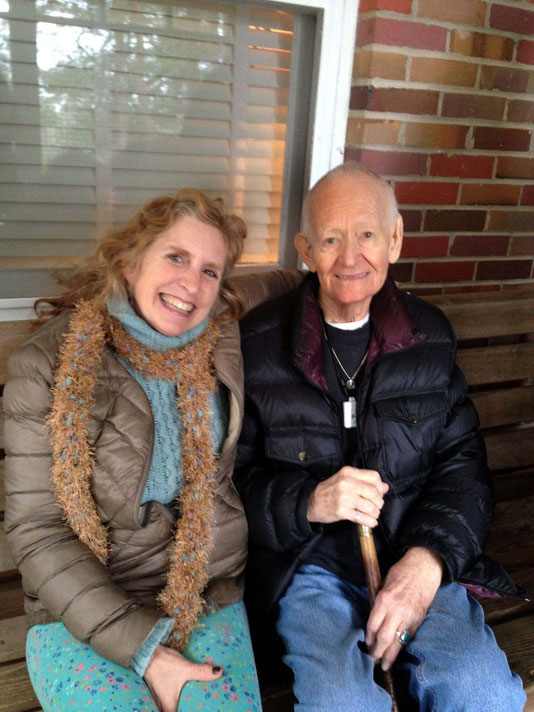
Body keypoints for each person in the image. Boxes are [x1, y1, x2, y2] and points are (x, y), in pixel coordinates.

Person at [234, 162, 528, 711]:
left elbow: (462, 471)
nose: (350, 257)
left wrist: (426, 564)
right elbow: (231, 485)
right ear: (304, 249)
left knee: (482, 694)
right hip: (309, 570)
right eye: (329, 238)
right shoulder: (258, 344)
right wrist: (311, 501)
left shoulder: (428, 336)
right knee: (343, 703)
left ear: (394, 239)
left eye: (367, 234)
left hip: (415, 557)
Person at [4, 189, 298, 712]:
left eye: (211, 270)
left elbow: (286, 280)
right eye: (176, 257)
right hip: (82, 603)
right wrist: (145, 652)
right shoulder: (47, 367)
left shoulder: (221, 331)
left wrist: (337, 265)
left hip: (208, 591)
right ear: (129, 261)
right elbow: (37, 529)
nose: (192, 283)